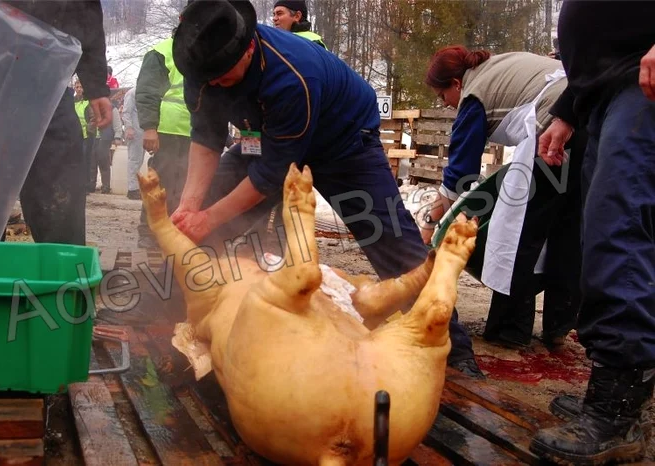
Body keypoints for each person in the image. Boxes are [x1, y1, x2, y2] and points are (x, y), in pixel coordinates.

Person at [169, 0, 482, 377]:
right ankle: (184, 312)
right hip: (265, 138)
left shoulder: (292, 74)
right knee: (200, 217)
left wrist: (209, 217)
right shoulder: (201, 64)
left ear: (248, 48)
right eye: (208, 77)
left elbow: (271, 175)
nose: (214, 83)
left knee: (392, 240)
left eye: (222, 75)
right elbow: (205, 137)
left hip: (343, 144)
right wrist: (192, 208)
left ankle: (455, 351)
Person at [528, 1, 655, 464]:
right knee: (601, 232)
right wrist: (568, 110)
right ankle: (623, 392)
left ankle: (616, 408)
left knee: (617, 232)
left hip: (641, 85)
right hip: (606, 92)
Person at [422, 46, 586, 350]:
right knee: (567, 226)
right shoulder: (499, 65)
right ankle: (558, 325)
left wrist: (429, 224)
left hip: (554, 130)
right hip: (586, 117)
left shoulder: (474, 94)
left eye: (442, 97)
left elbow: (459, 176)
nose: (445, 105)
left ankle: (511, 329)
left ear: (456, 83)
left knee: (519, 227)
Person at [0, 0, 113, 245]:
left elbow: (85, 8)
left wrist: (95, 85)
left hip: (48, 79)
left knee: (60, 197)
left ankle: (63, 277)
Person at [135, 36, 192, 248]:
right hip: (167, 128)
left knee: (187, 184)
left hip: (195, 129)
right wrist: (150, 128)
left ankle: (175, 231)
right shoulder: (162, 51)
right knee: (161, 182)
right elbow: (147, 92)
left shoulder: (206, 49)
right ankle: (149, 231)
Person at [122, 86, 145, 200]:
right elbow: (126, 112)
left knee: (139, 160)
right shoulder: (132, 92)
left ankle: (136, 187)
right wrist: (129, 127)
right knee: (134, 159)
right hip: (135, 131)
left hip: (144, 130)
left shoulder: (148, 91)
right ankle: (132, 189)